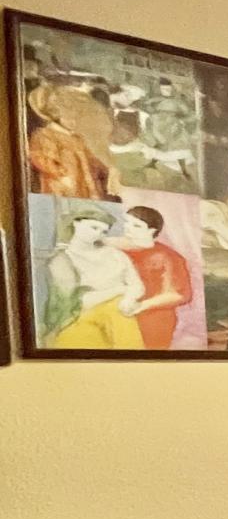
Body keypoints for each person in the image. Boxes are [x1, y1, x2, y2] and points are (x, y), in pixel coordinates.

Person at [42, 208, 144, 348]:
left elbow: (137, 285)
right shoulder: (62, 260)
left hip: (117, 316)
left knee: (119, 312)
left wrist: (129, 298)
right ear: (76, 223)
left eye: (103, 231)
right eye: (94, 227)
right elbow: (76, 303)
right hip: (78, 319)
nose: (97, 234)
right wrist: (120, 290)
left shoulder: (115, 254)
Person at [117, 205, 193, 349]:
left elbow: (179, 294)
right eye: (126, 222)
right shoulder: (116, 251)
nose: (127, 228)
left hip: (153, 320)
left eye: (136, 225)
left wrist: (141, 306)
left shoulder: (168, 256)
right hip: (117, 316)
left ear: (151, 231)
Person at [26, 85, 114, 199]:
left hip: (84, 185)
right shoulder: (45, 135)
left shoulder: (77, 138)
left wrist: (106, 169)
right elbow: (41, 159)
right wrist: (61, 174)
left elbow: (92, 159)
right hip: (61, 186)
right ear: (57, 116)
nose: (73, 122)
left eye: (75, 118)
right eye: (68, 118)